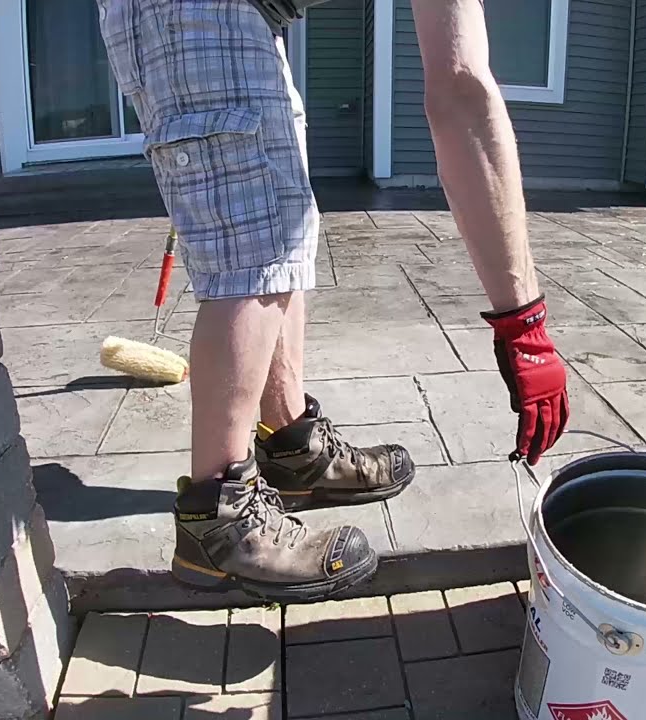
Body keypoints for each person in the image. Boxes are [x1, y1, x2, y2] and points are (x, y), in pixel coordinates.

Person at [96, 0, 570, 601]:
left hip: (240, 17)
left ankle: (294, 451)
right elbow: (462, 99)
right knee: (253, 254)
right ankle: (216, 522)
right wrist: (524, 324)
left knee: (283, 228)